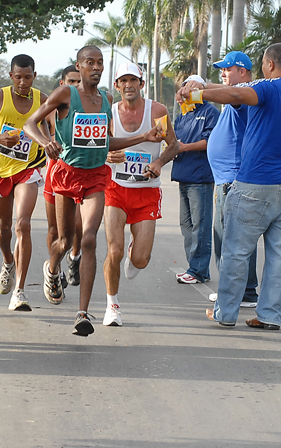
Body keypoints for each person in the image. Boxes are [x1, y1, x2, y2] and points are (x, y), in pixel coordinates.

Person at [177, 43, 281, 330]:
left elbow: (236, 93)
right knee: (280, 255)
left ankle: (226, 313)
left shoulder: (267, 87)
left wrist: (198, 92)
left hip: (255, 183)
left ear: (269, 64)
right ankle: (269, 315)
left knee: (236, 250)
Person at [24, 45, 163, 336]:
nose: (96, 67)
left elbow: (106, 143)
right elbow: (29, 123)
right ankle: (52, 269)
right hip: (66, 174)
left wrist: (142, 137)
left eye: (100, 63)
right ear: (80, 66)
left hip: (96, 177)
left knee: (88, 240)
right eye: (90, 63)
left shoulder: (106, 100)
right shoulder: (65, 95)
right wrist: (44, 142)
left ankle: (82, 313)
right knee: (64, 241)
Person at [0, 54, 48, 311]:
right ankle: (7, 261)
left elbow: (54, 127)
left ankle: (20, 291)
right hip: (0, 171)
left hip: (29, 169)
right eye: (18, 77)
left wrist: (50, 141)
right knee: (3, 227)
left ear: (34, 77)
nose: (23, 83)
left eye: (28, 78)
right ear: (11, 76)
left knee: (22, 224)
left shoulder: (43, 100)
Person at [102, 62, 180, 326]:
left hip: (146, 192)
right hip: (116, 190)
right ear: (116, 86)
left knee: (140, 260)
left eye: (132, 80)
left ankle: (137, 251)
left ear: (141, 84)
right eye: (122, 81)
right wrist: (107, 156)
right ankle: (112, 305)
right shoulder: (110, 113)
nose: (128, 85)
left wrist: (158, 163)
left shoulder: (156, 111)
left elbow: (173, 145)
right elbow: (99, 147)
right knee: (114, 251)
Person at [200, 51, 259, 308]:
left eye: (227, 69)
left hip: (231, 180)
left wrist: (200, 88)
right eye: (221, 70)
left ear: (242, 71)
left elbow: (233, 95)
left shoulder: (239, 97)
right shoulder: (233, 98)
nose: (223, 74)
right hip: (225, 179)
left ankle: (237, 292)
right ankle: (244, 290)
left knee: (229, 239)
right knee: (234, 237)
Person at [172, 74, 220, 285]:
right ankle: (195, 267)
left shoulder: (210, 112)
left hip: (201, 177)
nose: (186, 93)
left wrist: (184, 147)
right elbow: (172, 139)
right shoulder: (182, 115)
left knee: (200, 225)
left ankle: (198, 270)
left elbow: (211, 141)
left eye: (191, 89)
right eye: (184, 89)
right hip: (183, 174)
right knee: (186, 224)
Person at [43, 64, 83, 290]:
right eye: (72, 82)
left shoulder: (91, 108)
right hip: (55, 173)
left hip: (81, 173)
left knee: (78, 225)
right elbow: (36, 125)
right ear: (62, 84)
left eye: (80, 81)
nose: (77, 86)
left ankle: (74, 257)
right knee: (54, 229)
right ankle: (55, 274)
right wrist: (46, 142)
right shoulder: (51, 109)